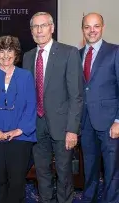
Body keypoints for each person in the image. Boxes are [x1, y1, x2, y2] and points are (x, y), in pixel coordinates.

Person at [23, 12, 83, 203]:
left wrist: (72, 130)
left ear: (52, 28)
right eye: (35, 27)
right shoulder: (28, 56)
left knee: (64, 174)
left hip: (62, 127)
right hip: (36, 126)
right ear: (31, 31)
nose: (39, 30)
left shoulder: (69, 52)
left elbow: (76, 95)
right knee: (42, 174)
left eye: (43, 25)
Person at [0, 35, 36, 203]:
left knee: (17, 183)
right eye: (1, 51)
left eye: (10, 50)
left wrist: (18, 130)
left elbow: (31, 106)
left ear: (16, 53)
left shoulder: (26, 76)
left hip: (20, 138)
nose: (5, 55)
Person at [80, 12, 119, 203]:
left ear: (102, 27)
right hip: (85, 123)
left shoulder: (115, 51)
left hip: (110, 123)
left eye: (96, 26)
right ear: (83, 30)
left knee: (112, 171)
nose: (92, 30)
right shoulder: (78, 55)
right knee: (89, 168)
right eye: (87, 27)